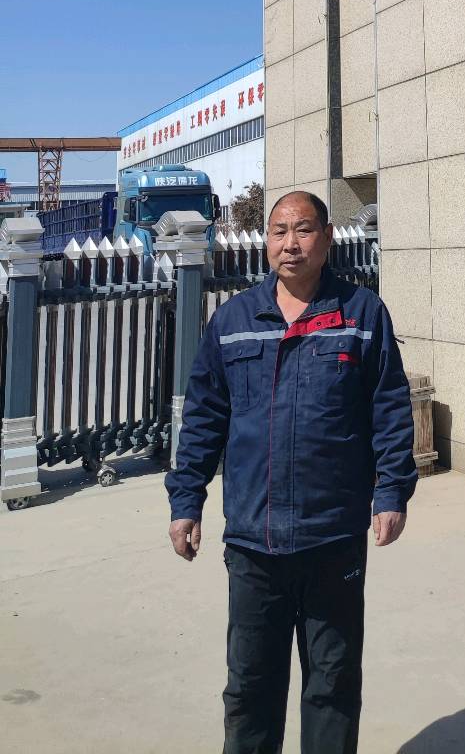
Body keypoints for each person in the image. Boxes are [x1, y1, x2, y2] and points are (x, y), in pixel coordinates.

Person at [165, 190, 416, 754]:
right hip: (254, 542)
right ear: (266, 242)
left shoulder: (361, 314)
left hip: (333, 537)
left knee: (332, 684)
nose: (290, 244)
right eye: (278, 231)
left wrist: (392, 491)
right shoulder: (233, 320)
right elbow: (204, 418)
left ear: (326, 238)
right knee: (250, 686)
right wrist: (187, 502)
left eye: (303, 230)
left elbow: (389, 408)